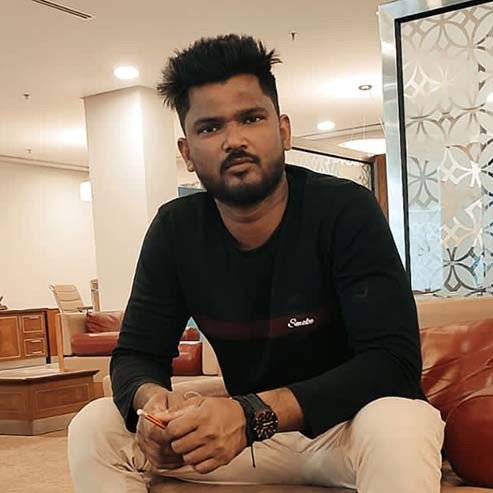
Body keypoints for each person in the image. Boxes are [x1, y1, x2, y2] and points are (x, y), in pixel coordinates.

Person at [68, 34, 445, 493]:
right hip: (248, 443)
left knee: (401, 422)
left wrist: (252, 414)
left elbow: (393, 363)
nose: (234, 141)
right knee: (96, 425)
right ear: (187, 153)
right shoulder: (175, 230)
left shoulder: (345, 209)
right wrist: (153, 408)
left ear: (283, 131)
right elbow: (136, 355)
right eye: (210, 128)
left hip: (347, 431)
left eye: (251, 118)